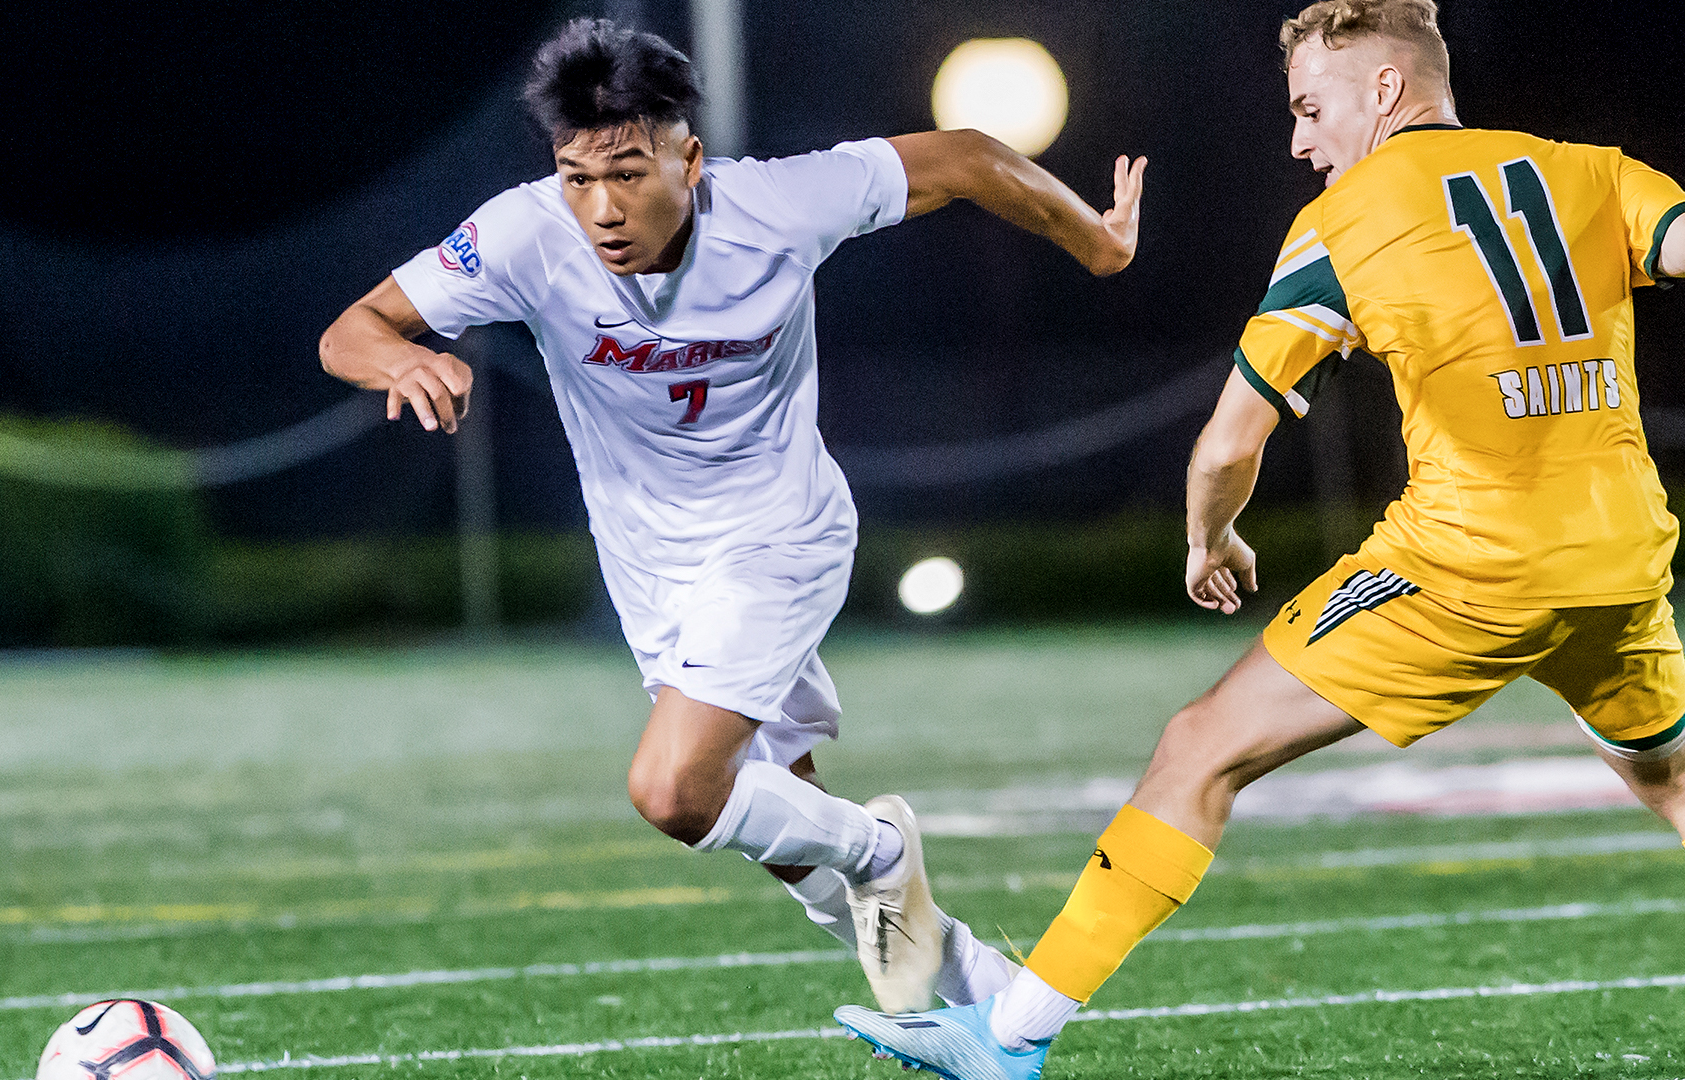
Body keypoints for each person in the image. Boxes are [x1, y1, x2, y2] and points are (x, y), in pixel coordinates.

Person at [836, 0, 1685, 1074]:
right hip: (1622, 560)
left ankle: (1007, 1039)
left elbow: (1225, 444)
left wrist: (1212, 539)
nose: (1298, 139)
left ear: (1385, 89)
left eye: (1309, 106)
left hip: (1469, 568)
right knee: (1676, 778)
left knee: (1200, 748)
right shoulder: (1592, 169)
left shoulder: (1345, 221)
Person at [318, 17, 1148, 1013]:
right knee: (774, 813)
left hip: (778, 539)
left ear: (690, 158)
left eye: (628, 173)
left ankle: (883, 851)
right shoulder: (522, 235)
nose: (601, 208)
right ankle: (976, 988)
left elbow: (967, 158)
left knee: (674, 792)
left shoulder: (778, 206)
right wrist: (402, 357)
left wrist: (1093, 242)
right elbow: (351, 330)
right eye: (578, 177)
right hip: (649, 566)